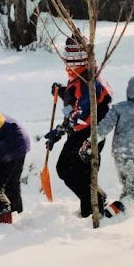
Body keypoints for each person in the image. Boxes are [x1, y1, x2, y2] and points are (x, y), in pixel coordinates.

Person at [44, 34, 113, 218]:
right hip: (82, 133)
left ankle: (94, 204)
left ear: (82, 60)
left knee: (68, 168)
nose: (68, 67)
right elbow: (75, 106)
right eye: (67, 63)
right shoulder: (80, 74)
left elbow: (81, 117)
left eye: (71, 63)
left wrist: (59, 131)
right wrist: (63, 93)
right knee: (78, 171)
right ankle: (90, 207)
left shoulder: (88, 83)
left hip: (89, 135)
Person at [80, 72, 134, 217]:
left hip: (119, 156)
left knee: (128, 189)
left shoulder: (119, 109)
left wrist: (90, 142)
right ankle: (113, 211)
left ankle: (115, 215)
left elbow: (104, 128)